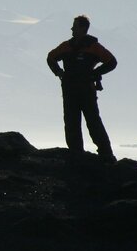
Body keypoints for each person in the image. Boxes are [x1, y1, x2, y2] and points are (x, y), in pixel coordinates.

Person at [46, 15, 117, 162]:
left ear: (83, 28)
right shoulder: (67, 46)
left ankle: (106, 154)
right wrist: (59, 73)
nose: (72, 29)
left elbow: (112, 62)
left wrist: (96, 73)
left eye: (75, 26)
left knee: (93, 122)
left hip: (86, 90)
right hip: (70, 90)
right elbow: (50, 57)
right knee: (72, 122)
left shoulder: (94, 47)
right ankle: (76, 154)